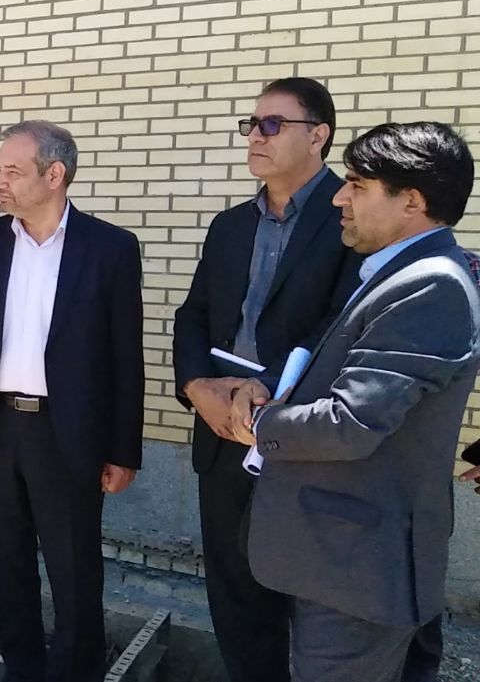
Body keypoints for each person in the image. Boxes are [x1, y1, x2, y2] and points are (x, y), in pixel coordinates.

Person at [227, 121, 480, 682]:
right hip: (346, 558)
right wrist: (270, 383)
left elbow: (351, 422)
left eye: (358, 185)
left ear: (412, 201)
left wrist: (260, 424)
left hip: (358, 569)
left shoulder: (429, 285)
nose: (340, 197)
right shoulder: (400, 272)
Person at [171, 77, 359, 682]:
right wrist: (197, 387)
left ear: (319, 135)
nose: (255, 136)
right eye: (251, 124)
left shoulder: (351, 219)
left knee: (306, 603)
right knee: (235, 594)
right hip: (222, 434)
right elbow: (194, 314)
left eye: (272, 124)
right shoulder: (230, 225)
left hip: (299, 438)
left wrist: (267, 388)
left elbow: (343, 324)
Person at [0, 120, 144, 681]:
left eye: (12, 171)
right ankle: (22, 671)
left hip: (67, 433)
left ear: (54, 175)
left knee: (75, 572)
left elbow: (126, 356)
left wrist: (123, 449)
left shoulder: (110, 248)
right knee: (4, 566)